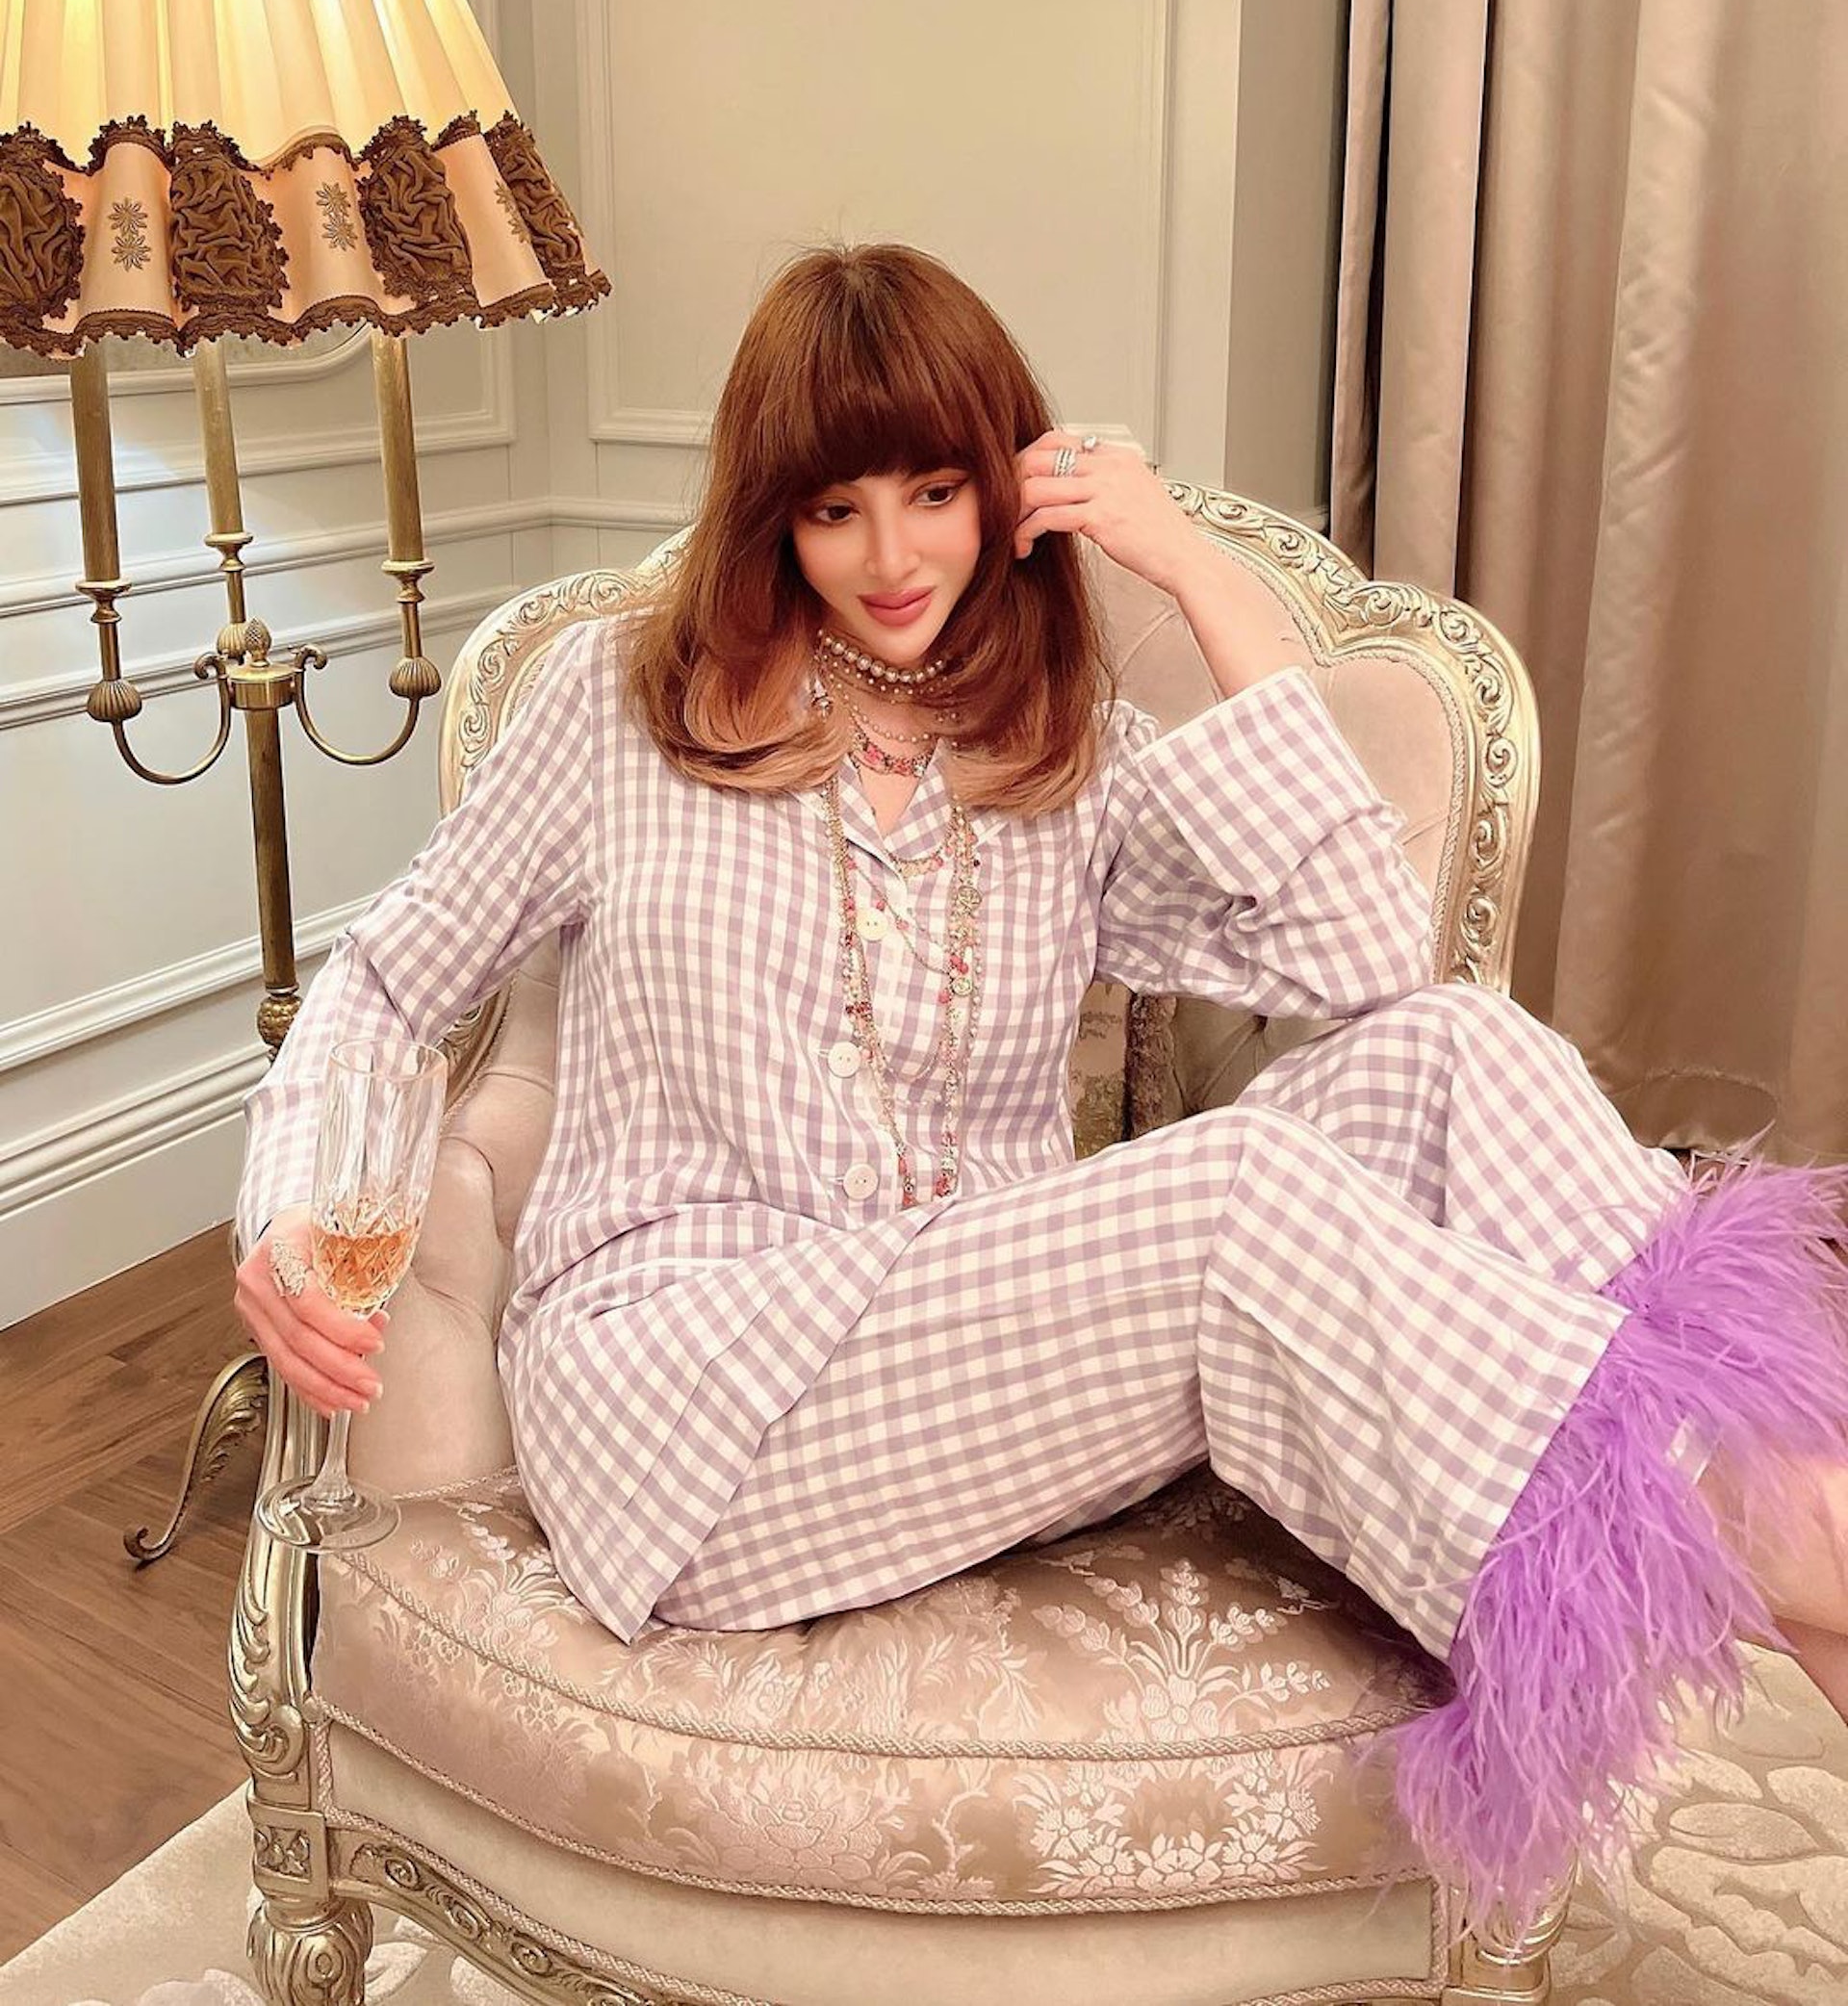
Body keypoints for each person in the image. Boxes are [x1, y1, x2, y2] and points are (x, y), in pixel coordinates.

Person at [232, 239, 1848, 1938]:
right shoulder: (625, 709)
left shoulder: (1055, 747)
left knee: (1461, 1048)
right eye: (837, 508)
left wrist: (1193, 569)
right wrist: (289, 1211)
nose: (891, 557)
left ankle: (1794, 1512)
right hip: (691, 1396)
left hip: (977, 1381)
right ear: (774, 513)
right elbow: (387, 981)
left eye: (934, 493)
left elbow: (1378, 960)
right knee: (1235, 1202)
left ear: (1003, 489)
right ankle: (1795, 1533)